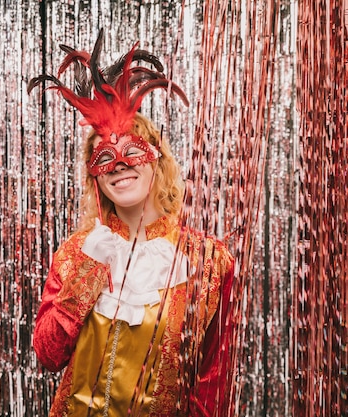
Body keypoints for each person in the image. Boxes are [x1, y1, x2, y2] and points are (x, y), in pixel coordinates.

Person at [28, 30, 236, 417]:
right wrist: (88, 274)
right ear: (96, 177)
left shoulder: (209, 260)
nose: (119, 165)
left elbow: (214, 379)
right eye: (104, 157)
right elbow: (48, 355)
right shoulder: (76, 253)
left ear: (157, 157)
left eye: (132, 151)